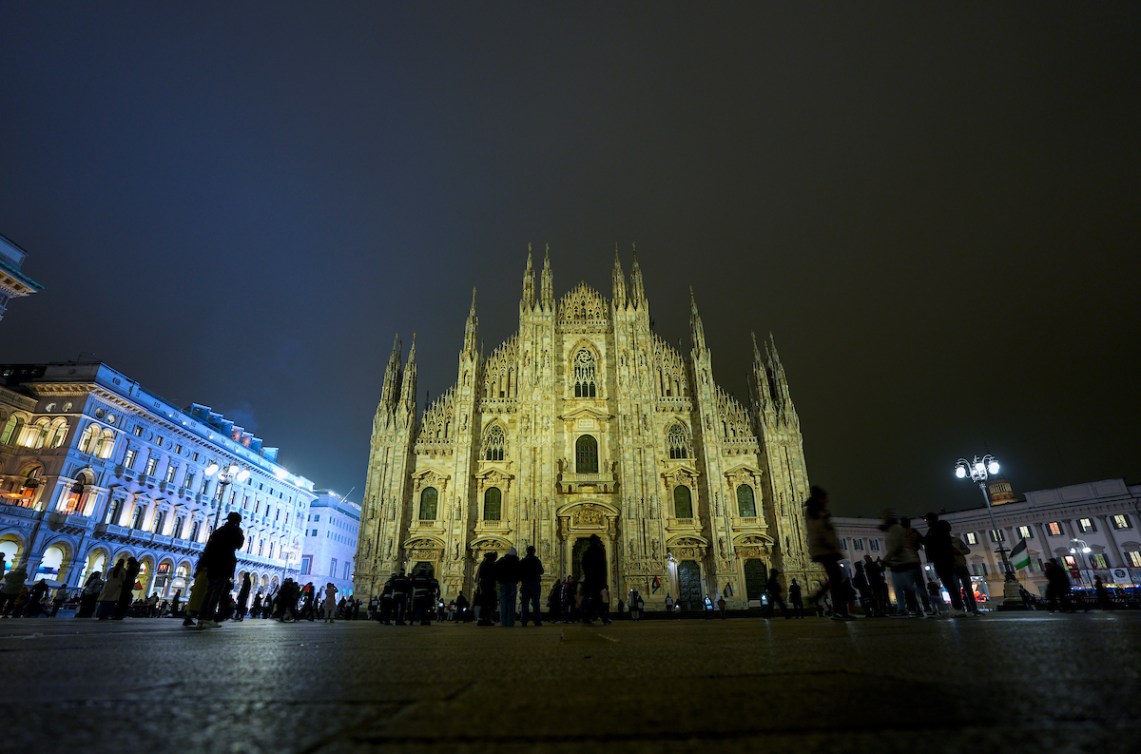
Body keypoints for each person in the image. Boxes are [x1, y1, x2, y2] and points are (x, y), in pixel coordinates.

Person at [804, 486, 855, 620]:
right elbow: (821, 531)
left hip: (823, 550)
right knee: (837, 578)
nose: (827, 500)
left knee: (836, 577)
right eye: (824, 498)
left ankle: (819, 597)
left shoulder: (815, 511)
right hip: (825, 550)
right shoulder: (816, 512)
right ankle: (837, 609)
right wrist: (832, 547)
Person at [196, 512, 245, 628]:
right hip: (224, 564)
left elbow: (209, 546)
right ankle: (208, 617)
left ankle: (201, 617)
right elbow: (239, 545)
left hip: (212, 563)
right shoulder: (235, 532)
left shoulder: (219, 530)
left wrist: (204, 562)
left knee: (209, 590)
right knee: (216, 592)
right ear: (237, 522)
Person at [881, 510, 926, 618]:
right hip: (896, 563)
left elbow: (896, 546)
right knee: (898, 587)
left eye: (884, 517)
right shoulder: (891, 530)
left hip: (904, 562)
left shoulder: (895, 529)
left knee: (907, 587)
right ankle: (902, 608)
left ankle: (923, 603)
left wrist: (886, 559)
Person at [580, 535, 610, 624]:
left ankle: (589, 616)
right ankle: (601, 617)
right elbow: (603, 566)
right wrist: (604, 579)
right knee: (597, 598)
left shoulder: (587, 552)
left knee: (593, 598)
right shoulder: (600, 552)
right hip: (597, 579)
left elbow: (584, 565)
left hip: (590, 578)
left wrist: (587, 575)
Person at [495, 547, 522, 627]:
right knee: (511, 603)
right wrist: (517, 579)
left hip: (503, 583)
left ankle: (503, 622)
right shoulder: (516, 562)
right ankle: (510, 622)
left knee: (503, 603)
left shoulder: (502, 561)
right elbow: (520, 572)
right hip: (512, 583)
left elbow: (496, 570)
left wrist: (499, 579)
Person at [518, 545, 545, 627]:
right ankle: (537, 621)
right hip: (535, 583)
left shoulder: (523, 561)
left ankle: (524, 620)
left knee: (524, 603)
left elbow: (519, 572)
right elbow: (541, 571)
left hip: (525, 583)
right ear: (534, 551)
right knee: (536, 602)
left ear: (527, 551)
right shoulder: (537, 561)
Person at [476, 552, 499, 626]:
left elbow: (480, 576)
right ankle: (487, 619)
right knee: (489, 603)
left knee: (484, 603)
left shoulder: (483, 564)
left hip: (484, 586)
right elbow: (495, 575)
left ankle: (482, 619)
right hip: (489, 586)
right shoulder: (491, 564)